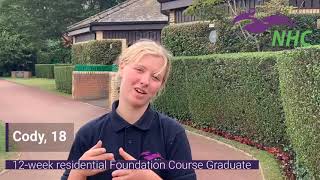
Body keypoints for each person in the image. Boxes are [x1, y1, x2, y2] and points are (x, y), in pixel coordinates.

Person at [61, 39, 197, 180]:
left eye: (155, 77)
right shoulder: (88, 134)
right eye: (139, 69)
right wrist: (78, 172)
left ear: (161, 85)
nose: (145, 81)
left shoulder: (173, 134)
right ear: (122, 67)